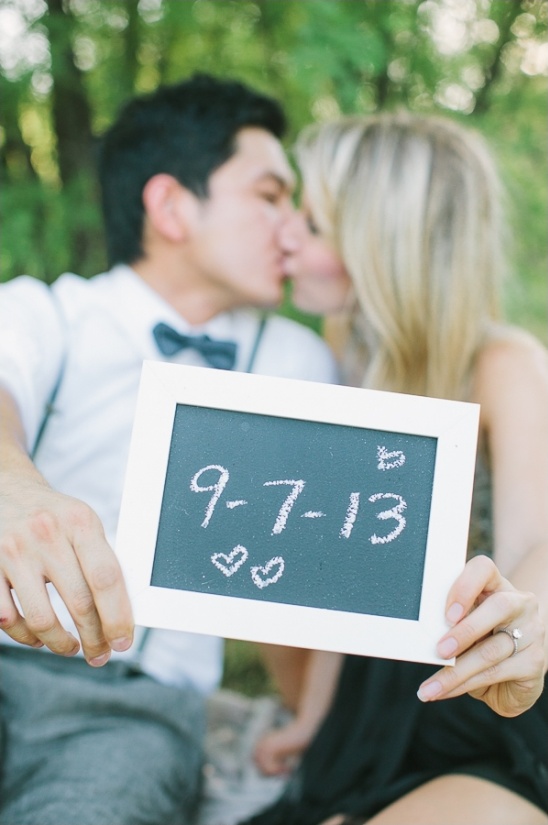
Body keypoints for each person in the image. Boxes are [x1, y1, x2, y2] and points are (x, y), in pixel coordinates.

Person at [0, 74, 339, 825]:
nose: (291, 228)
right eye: (269, 195)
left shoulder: (298, 360)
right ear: (171, 206)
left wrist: (305, 717)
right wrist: (14, 485)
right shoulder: (49, 311)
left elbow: (303, 581)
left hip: (135, 707)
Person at [245, 113, 548, 824]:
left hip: (484, 701)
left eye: (313, 224)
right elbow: (351, 593)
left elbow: (538, 549)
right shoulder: (344, 357)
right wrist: (311, 722)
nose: (285, 233)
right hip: (370, 712)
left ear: (384, 248)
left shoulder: (504, 363)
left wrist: (512, 638)